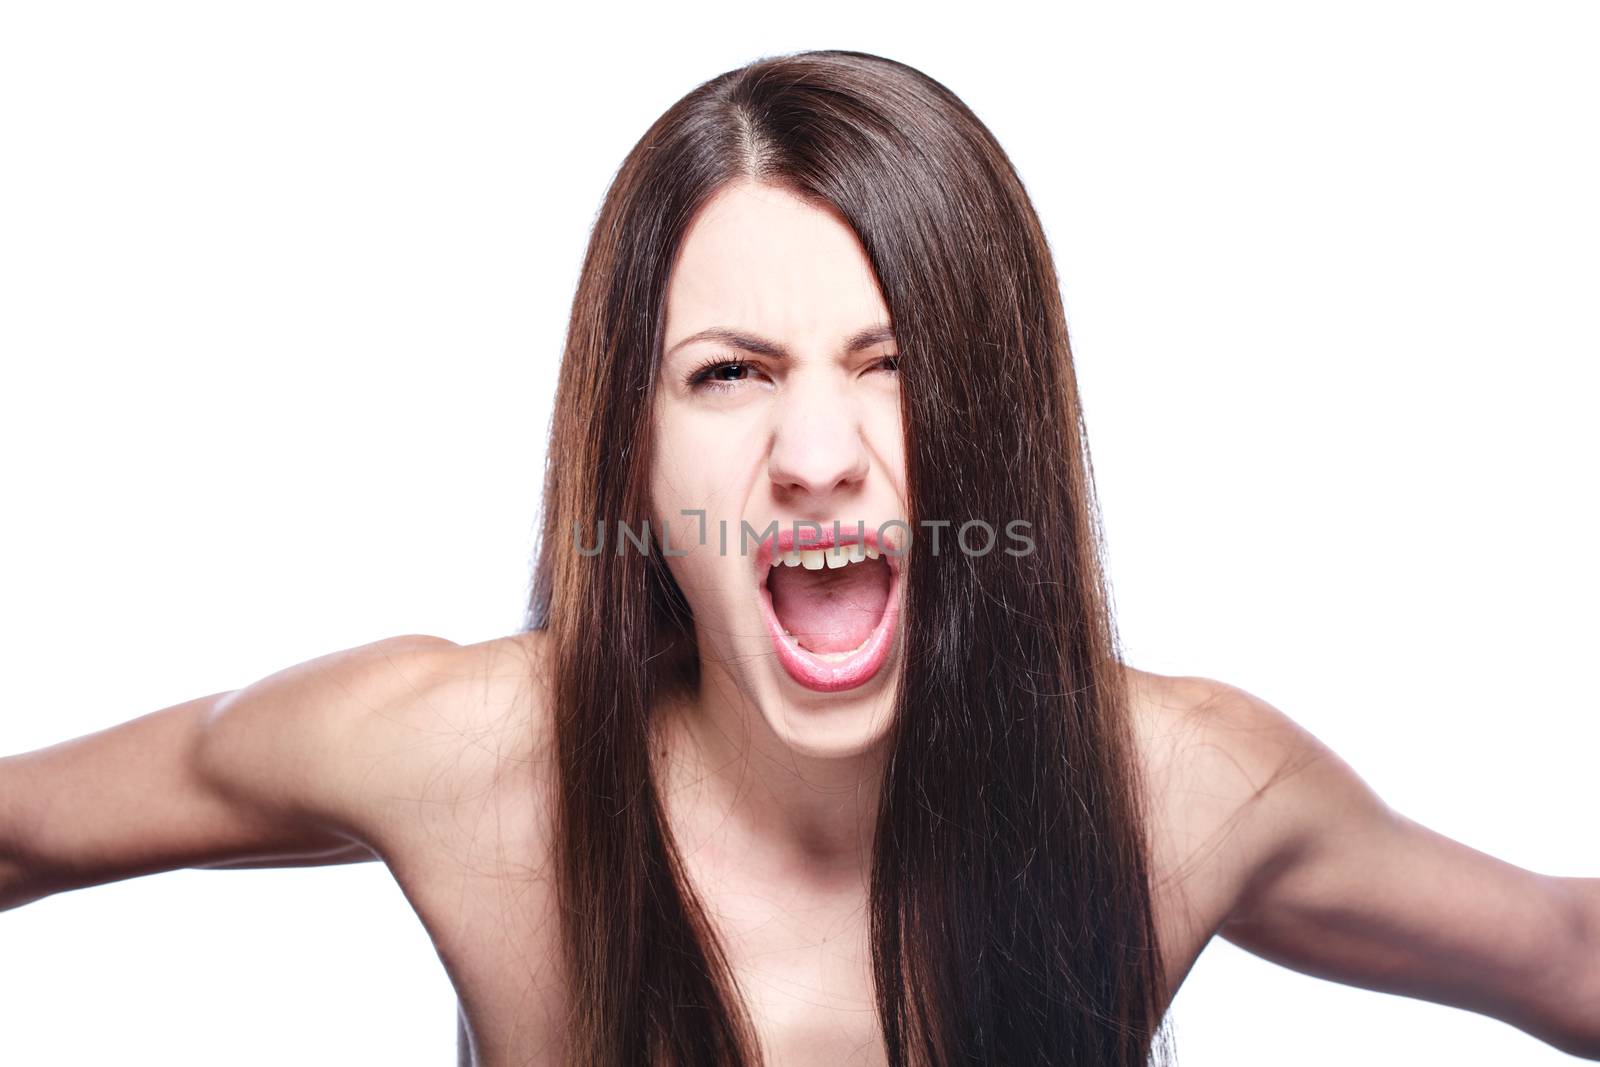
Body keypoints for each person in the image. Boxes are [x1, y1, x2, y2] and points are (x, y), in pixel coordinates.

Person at [1, 48, 1595, 1067]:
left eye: (891, 361)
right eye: (730, 371)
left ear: (1000, 411)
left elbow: (1563, 952)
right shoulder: (455, 756)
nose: (819, 451)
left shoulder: (1179, 790)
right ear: (629, 446)